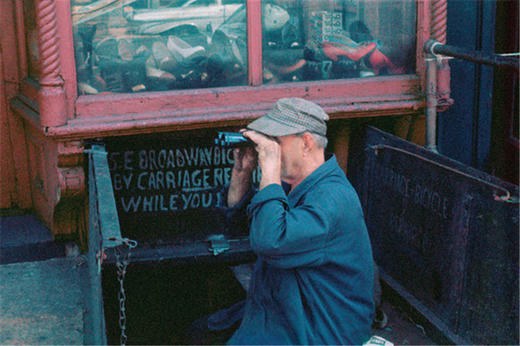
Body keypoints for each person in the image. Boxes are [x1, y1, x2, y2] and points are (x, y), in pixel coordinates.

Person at [191, 97, 375, 345]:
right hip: (284, 307)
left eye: (276, 142)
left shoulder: (332, 197)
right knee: (200, 330)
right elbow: (247, 230)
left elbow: (271, 242)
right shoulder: (297, 187)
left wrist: (269, 170)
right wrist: (242, 173)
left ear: (306, 143)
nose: (269, 150)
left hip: (318, 328)